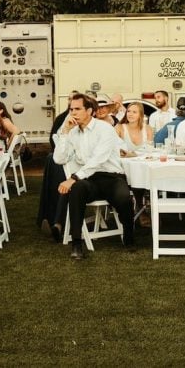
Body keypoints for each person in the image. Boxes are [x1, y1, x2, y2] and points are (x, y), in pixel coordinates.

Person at [54, 93, 135, 260]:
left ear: (89, 110)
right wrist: (64, 133)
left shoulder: (104, 129)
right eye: (71, 109)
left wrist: (73, 178)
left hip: (111, 177)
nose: (73, 113)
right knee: (76, 190)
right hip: (89, 180)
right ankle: (77, 243)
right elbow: (59, 159)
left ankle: (129, 231)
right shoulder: (72, 132)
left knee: (123, 198)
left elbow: (99, 159)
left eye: (77, 109)